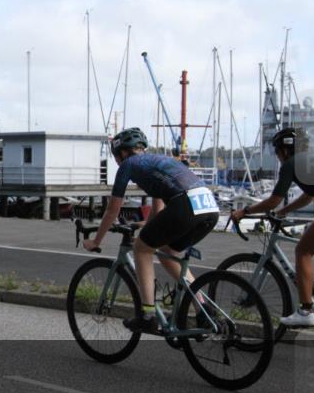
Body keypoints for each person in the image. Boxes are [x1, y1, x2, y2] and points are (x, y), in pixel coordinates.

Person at [82, 128, 219, 334]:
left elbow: (112, 210)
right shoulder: (158, 161)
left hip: (185, 207)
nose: (117, 162)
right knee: (169, 253)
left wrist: (96, 241)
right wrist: (145, 224)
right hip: (209, 207)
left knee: (141, 249)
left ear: (122, 153)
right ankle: (203, 311)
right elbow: (158, 209)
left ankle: (147, 315)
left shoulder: (129, 165)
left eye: (116, 157)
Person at [231, 127, 314, 325]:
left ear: (285, 150)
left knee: (303, 250)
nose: (277, 157)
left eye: (276, 152)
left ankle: (305, 311)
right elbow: (308, 196)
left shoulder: (291, 163)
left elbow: (273, 200)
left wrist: (244, 211)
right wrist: (283, 212)